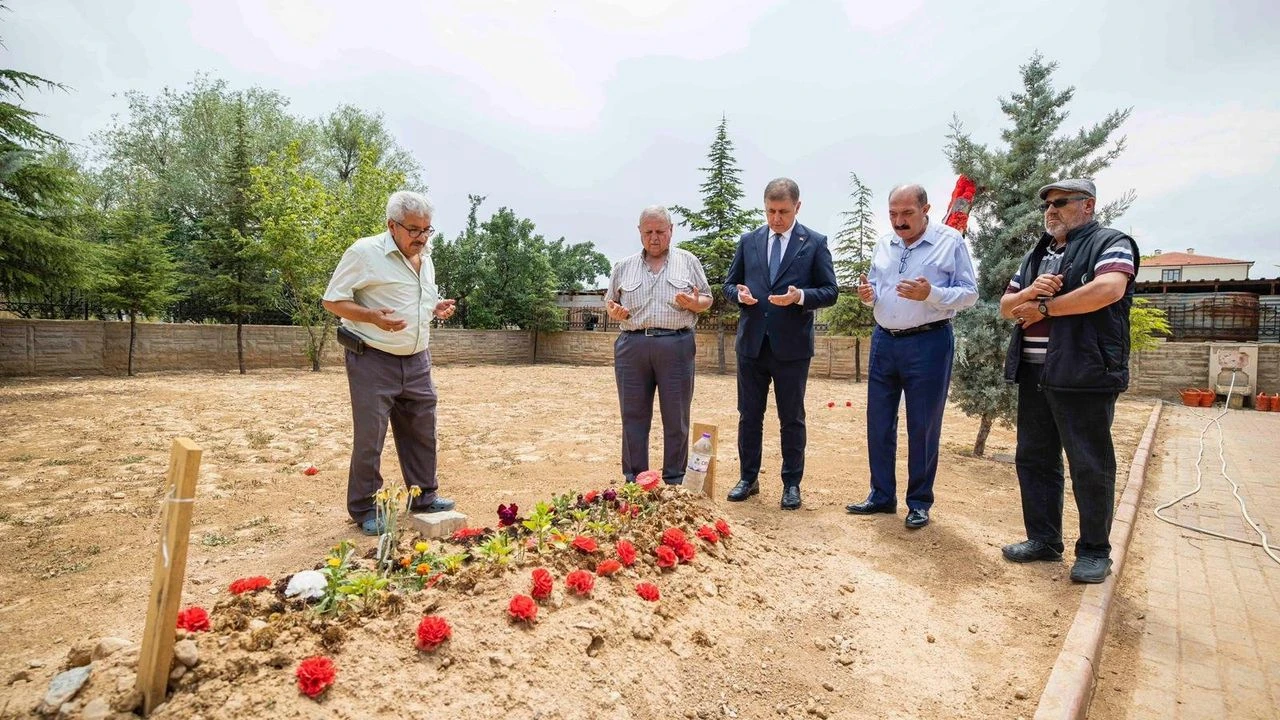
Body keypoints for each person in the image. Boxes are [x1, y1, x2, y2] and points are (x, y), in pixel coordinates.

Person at [999, 178, 1139, 584]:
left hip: (1084, 372)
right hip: (1034, 372)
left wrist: (1045, 308)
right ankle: (1044, 540)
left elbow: (1108, 290)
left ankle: (1094, 551)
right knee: (1035, 458)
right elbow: (1007, 306)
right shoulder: (1036, 254)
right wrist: (1030, 293)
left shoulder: (1110, 242)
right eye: (1047, 204)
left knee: (1090, 464)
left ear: (1088, 206)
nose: (1051, 210)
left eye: (1061, 202)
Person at [322, 190, 458, 536]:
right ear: (391, 225)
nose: (421, 238)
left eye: (427, 230)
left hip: (417, 360)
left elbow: (415, 301)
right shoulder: (364, 252)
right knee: (371, 436)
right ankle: (365, 508)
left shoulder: (425, 258)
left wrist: (434, 308)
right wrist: (372, 317)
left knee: (422, 430)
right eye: (414, 230)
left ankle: (424, 496)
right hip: (372, 357)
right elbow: (333, 301)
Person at [845, 184, 978, 528]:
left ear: (925, 210)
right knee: (878, 422)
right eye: (893, 214)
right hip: (884, 341)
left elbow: (969, 294)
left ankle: (919, 502)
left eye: (907, 213)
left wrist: (930, 293)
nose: (899, 221)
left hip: (928, 342)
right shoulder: (883, 243)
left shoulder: (950, 242)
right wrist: (868, 295)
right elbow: (877, 289)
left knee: (923, 425)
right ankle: (881, 495)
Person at [723, 178, 839, 510]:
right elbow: (729, 285)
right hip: (751, 345)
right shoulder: (749, 241)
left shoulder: (814, 243)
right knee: (749, 415)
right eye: (770, 211)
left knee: (792, 418)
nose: (776, 218)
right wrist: (739, 295)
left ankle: (791, 484)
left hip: (792, 348)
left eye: (783, 212)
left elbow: (830, 291)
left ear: (797, 207)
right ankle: (748, 478)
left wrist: (800, 296)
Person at [604, 205, 712, 484]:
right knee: (633, 416)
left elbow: (707, 298)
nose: (654, 238)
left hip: (676, 345)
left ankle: (674, 478)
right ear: (639, 232)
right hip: (632, 346)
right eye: (648, 232)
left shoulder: (688, 261)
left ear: (671, 231)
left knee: (676, 416)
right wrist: (614, 311)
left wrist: (695, 303)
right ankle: (635, 479)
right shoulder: (623, 266)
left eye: (660, 231)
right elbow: (610, 302)